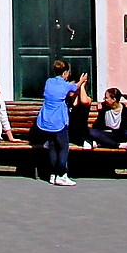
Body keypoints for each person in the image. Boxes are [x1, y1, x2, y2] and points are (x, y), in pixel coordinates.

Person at [35, 58, 86, 186]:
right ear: (65, 73)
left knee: (52, 146)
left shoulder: (49, 82)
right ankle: (62, 175)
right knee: (63, 148)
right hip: (58, 120)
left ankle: (53, 174)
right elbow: (74, 88)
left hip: (47, 119)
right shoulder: (66, 85)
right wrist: (82, 80)